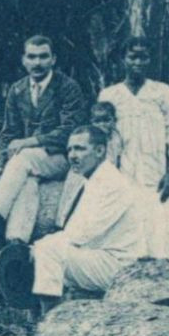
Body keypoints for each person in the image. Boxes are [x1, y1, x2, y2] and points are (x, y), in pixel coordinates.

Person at [97, 38, 169, 278]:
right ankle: (132, 274)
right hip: (126, 169)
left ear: (150, 61)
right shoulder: (110, 94)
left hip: (157, 170)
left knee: (165, 215)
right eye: (132, 57)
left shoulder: (161, 91)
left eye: (143, 57)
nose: (138, 62)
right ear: (123, 60)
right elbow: (105, 137)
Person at [0, 35, 89, 243]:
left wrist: (30, 141)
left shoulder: (68, 87)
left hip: (61, 158)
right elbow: (8, 132)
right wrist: (2, 167)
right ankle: (16, 242)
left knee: (24, 158)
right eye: (32, 57)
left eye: (43, 57)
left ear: (53, 59)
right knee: (27, 182)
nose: (37, 63)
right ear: (24, 60)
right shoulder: (17, 90)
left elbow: (70, 130)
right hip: (29, 164)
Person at [31, 125, 147, 313]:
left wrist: (39, 247)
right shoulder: (93, 180)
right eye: (69, 149)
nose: (72, 156)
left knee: (48, 251)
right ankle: (41, 315)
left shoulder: (111, 183)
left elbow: (80, 235)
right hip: (100, 257)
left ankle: (47, 319)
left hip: (121, 266)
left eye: (80, 149)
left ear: (100, 151)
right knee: (45, 252)